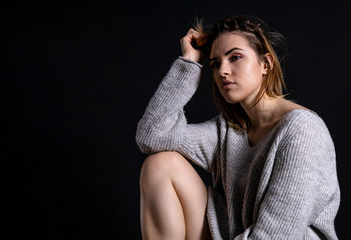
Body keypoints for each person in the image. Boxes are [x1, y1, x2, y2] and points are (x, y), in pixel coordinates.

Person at [135, 15, 340, 240]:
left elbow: (276, 236)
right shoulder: (229, 129)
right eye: (215, 63)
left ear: (266, 64)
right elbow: (152, 137)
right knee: (160, 164)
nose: (223, 71)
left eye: (235, 57)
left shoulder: (303, 131)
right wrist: (189, 63)